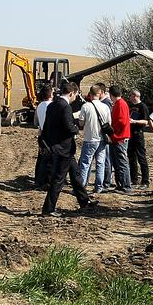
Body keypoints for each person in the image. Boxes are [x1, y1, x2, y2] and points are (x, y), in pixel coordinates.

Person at [41, 82, 97, 216]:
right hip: (63, 148)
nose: (75, 98)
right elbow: (69, 127)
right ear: (72, 93)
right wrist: (77, 128)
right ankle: (48, 209)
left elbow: (46, 126)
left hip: (58, 147)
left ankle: (85, 202)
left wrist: (44, 142)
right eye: (76, 95)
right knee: (58, 179)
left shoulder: (53, 104)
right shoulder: (65, 106)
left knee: (76, 175)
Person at [76, 84, 111, 193]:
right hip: (101, 139)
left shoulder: (86, 106)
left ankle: (81, 186)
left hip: (89, 138)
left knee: (85, 163)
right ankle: (99, 187)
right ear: (100, 94)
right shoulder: (105, 107)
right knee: (100, 163)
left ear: (90, 94)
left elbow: (81, 123)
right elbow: (109, 123)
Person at [108, 85, 132, 193]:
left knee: (122, 163)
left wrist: (112, 129)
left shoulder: (120, 104)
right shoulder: (119, 103)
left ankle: (126, 186)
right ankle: (120, 184)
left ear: (111, 95)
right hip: (117, 137)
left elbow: (121, 121)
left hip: (120, 137)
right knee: (117, 162)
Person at [126, 89, 151, 189]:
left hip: (138, 134)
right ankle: (134, 179)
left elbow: (146, 122)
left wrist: (134, 122)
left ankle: (145, 181)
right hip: (130, 134)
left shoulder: (142, 106)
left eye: (131, 95)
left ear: (135, 96)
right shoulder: (130, 106)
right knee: (131, 157)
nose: (130, 97)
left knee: (141, 157)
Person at [33, 81, 54, 190]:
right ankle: (47, 182)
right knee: (49, 160)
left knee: (41, 159)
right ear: (50, 94)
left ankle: (37, 180)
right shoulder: (52, 106)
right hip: (49, 135)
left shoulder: (39, 106)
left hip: (41, 135)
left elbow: (35, 122)